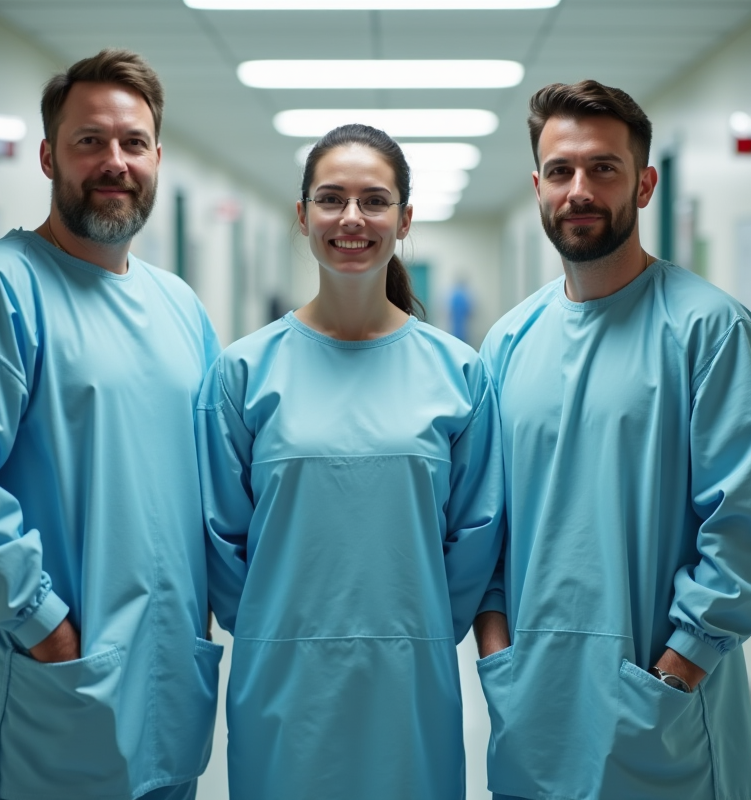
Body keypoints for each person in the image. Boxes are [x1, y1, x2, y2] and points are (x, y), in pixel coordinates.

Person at [0, 49, 222, 800]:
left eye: (133, 143)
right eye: (90, 141)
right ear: (47, 156)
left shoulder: (179, 307)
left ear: (157, 158)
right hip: (59, 684)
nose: (115, 161)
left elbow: (212, 475)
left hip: (169, 678)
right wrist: (44, 626)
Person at [473, 80, 751, 800]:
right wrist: (498, 652)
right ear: (538, 187)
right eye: (560, 171)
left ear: (644, 185)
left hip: (662, 705)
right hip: (535, 704)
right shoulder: (507, 344)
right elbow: (484, 522)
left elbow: (747, 526)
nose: (579, 189)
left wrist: (681, 666)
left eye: (603, 169)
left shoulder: (709, 331)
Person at [197, 124, 505, 800]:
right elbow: (223, 540)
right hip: (281, 679)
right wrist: (283, 629)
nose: (352, 219)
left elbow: (476, 534)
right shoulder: (245, 371)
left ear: (404, 220)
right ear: (302, 216)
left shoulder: (458, 373)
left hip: (411, 678)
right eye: (332, 199)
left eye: (375, 200)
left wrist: (413, 625)